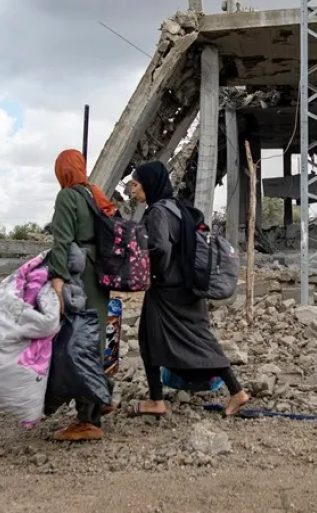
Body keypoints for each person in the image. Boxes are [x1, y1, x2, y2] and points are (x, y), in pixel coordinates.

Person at [127, 161, 251, 418]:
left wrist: (145, 268)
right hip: (188, 285)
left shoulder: (159, 212)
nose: (132, 190)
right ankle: (236, 392)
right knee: (201, 338)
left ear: (149, 185)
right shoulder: (176, 207)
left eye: (136, 184)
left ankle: (156, 400)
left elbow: (161, 249)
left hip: (167, 289)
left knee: (148, 340)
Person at [46, 149, 117, 442]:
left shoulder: (68, 197)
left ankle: (89, 419)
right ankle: (102, 398)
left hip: (80, 278)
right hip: (99, 274)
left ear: (62, 172)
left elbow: (61, 240)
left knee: (79, 342)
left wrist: (57, 281)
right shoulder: (94, 194)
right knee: (96, 337)